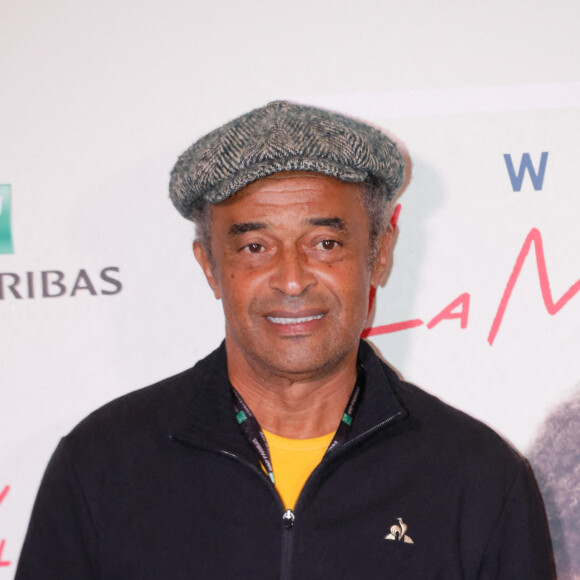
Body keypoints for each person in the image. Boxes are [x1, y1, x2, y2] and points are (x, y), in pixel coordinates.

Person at [16, 101, 554, 579]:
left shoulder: (478, 479)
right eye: (254, 247)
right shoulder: (103, 466)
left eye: (324, 243)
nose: (292, 279)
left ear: (380, 252)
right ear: (209, 265)